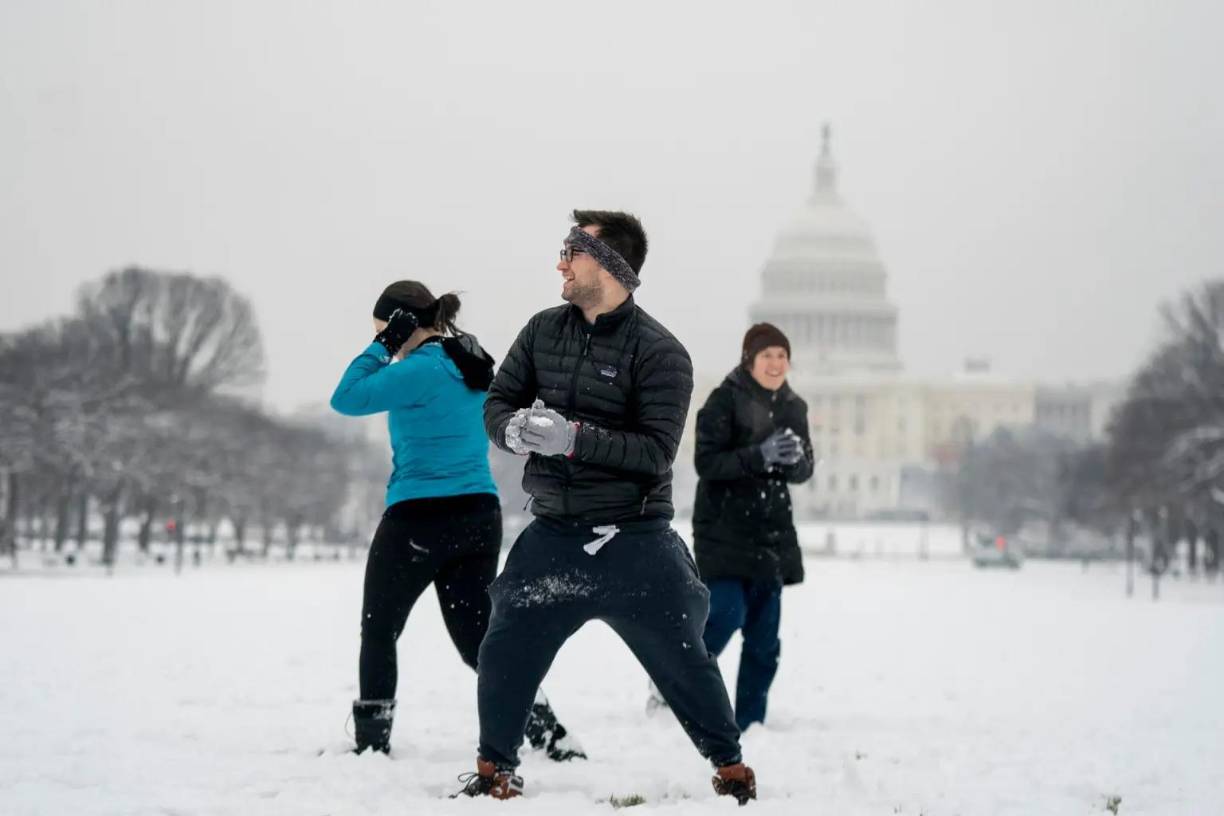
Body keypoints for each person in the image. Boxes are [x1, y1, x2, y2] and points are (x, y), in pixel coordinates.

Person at [453, 211, 756, 804]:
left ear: (611, 265)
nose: (560, 263)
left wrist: (572, 438)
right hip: (554, 534)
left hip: (635, 541)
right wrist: (514, 430)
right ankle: (496, 768)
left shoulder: (663, 352)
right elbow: (498, 401)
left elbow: (654, 452)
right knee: (504, 641)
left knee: (685, 659)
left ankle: (730, 765)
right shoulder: (543, 330)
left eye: (573, 251)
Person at [329, 281, 582, 760]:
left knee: (380, 628)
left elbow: (346, 397)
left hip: (417, 517)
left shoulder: (417, 369)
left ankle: (371, 746)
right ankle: (549, 733)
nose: (381, 338)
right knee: (478, 642)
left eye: (382, 328)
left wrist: (382, 346)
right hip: (477, 516)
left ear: (398, 323)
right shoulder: (471, 360)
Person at [691, 323, 814, 732]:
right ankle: (676, 684)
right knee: (725, 616)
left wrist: (796, 462)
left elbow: (804, 468)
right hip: (724, 530)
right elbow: (706, 464)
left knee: (764, 640)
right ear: (750, 360)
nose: (776, 364)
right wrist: (757, 456)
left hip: (770, 533)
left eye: (782, 356)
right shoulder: (723, 401)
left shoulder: (794, 407)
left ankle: (748, 723)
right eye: (767, 356)